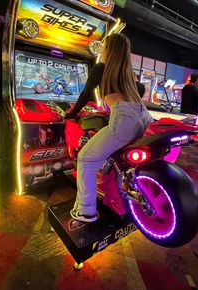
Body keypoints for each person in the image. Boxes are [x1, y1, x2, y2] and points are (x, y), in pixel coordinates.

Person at [67, 33, 153, 222]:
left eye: (105, 47)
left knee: (86, 160)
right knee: (122, 159)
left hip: (124, 119)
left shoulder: (100, 69)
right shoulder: (127, 74)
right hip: (144, 117)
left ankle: (86, 211)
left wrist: (71, 114)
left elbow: (85, 95)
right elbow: (139, 91)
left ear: (108, 50)